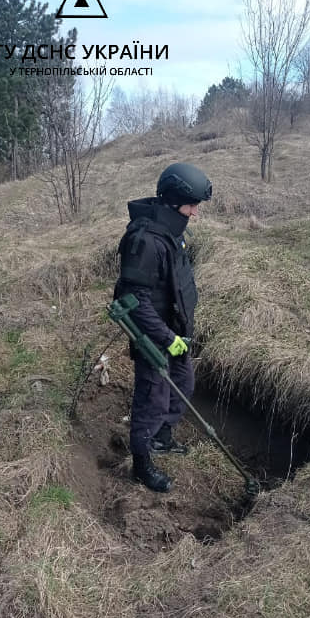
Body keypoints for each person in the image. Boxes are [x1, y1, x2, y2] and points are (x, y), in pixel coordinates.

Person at [113, 162, 212, 493]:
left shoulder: (172, 235)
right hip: (154, 337)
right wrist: (166, 339)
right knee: (151, 398)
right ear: (173, 202)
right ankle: (141, 466)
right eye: (191, 206)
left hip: (174, 332)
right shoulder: (145, 241)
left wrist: (179, 335)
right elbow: (135, 300)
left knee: (183, 382)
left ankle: (162, 439)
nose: (194, 213)